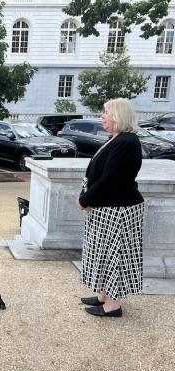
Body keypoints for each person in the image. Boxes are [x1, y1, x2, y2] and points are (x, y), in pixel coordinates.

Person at [76, 98, 144, 318]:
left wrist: (86, 199)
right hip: (108, 208)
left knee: (115, 255)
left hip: (119, 210)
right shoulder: (117, 139)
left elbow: (111, 179)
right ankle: (104, 295)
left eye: (106, 112)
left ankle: (113, 306)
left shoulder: (127, 142)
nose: (102, 116)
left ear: (118, 116)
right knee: (103, 254)